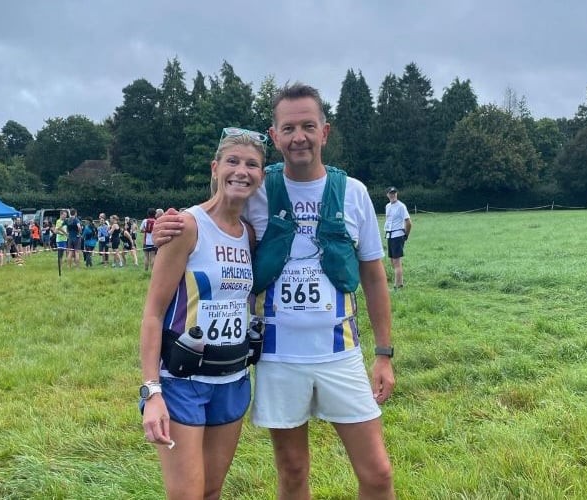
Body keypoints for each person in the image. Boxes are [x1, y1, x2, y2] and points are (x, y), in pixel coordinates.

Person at [155, 83, 395, 499]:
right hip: (278, 357)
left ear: (325, 131)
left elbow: (373, 277)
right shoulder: (259, 189)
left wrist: (384, 353)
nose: (299, 136)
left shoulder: (353, 193)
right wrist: (162, 225)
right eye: (288, 128)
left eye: (308, 125)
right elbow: (215, 212)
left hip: (341, 352)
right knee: (293, 471)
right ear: (276, 134)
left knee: (378, 474)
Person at [139, 127, 266, 498]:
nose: (241, 171)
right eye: (232, 161)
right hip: (183, 383)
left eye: (252, 165)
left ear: (261, 176)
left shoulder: (249, 233)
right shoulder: (186, 227)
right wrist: (152, 393)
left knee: (212, 492)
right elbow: (152, 313)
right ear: (215, 168)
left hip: (232, 379)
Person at [383, 186, 411, 290]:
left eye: (394, 193)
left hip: (398, 235)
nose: (393, 195)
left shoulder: (401, 206)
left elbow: (408, 222)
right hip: (390, 235)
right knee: (392, 260)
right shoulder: (387, 206)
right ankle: (400, 282)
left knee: (396, 261)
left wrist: (405, 235)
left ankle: (397, 286)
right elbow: (388, 220)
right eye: (391, 193)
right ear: (387, 195)